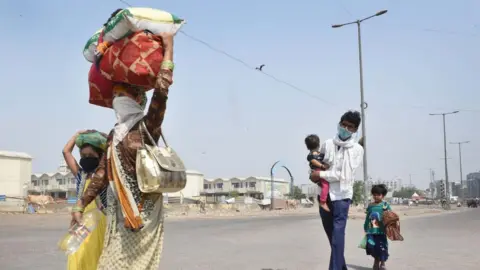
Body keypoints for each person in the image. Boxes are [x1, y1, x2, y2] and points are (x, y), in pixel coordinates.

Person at [71, 13, 175, 270]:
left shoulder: (147, 125)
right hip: (119, 216)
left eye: (123, 94)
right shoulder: (114, 135)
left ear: (138, 99)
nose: (118, 99)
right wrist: (81, 204)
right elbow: (101, 174)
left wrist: (169, 49)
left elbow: (161, 90)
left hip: (142, 214)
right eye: (115, 95)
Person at [310, 110, 364, 270]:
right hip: (324, 197)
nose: (345, 128)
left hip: (342, 197)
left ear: (355, 130)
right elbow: (317, 163)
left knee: (337, 237)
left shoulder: (357, 150)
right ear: (339, 123)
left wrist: (321, 174)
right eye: (344, 124)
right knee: (332, 238)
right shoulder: (327, 144)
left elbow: (345, 175)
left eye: (350, 127)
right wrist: (313, 173)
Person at [63, 130, 108, 270]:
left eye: (90, 155)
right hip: (82, 222)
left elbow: (111, 150)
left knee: (98, 256)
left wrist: (104, 136)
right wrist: (77, 134)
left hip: (101, 223)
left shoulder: (104, 175)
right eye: (83, 155)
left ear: (99, 156)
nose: (86, 158)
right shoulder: (80, 175)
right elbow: (66, 152)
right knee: (78, 255)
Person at [364, 184, 391, 270]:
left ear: (382, 195)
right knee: (372, 247)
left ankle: (382, 263)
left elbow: (390, 217)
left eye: (378, 195)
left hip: (382, 231)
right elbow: (368, 217)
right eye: (374, 194)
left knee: (382, 247)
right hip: (372, 231)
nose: (375, 196)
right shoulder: (371, 206)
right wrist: (365, 227)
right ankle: (376, 261)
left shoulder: (385, 205)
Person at [305, 134, 330, 212]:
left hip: (319, 172)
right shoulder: (310, 156)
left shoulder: (321, 154)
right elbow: (314, 162)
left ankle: (323, 197)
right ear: (318, 144)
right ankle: (323, 201)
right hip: (317, 172)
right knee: (326, 185)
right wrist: (322, 166)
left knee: (323, 185)